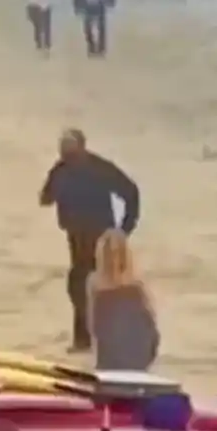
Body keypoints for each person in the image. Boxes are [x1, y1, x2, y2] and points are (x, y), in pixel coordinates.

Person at [37, 129, 140, 353]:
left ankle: (108, 339)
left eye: (71, 153)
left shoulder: (99, 168)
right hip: (76, 237)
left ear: (82, 148)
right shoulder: (61, 169)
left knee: (100, 286)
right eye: (64, 153)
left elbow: (130, 192)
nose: (68, 158)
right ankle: (84, 340)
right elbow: (45, 198)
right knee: (79, 285)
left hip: (101, 237)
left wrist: (124, 229)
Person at [88, 229, 159, 371]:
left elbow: (95, 329)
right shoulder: (135, 287)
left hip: (122, 358)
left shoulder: (100, 287)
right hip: (126, 359)